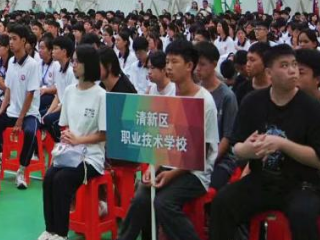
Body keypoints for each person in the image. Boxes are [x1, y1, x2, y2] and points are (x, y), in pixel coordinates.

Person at [209, 44, 320, 240]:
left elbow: (317, 159)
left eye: (294, 64)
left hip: (300, 184)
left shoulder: (311, 108)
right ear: (269, 72)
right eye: (284, 65)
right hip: (261, 181)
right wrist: (248, 150)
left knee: (302, 215)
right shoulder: (253, 102)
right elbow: (237, 147)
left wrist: (282, 144)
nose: (292, 70)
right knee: (221, 203)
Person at [116, 39, 219, 240]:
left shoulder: (204, 101)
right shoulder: (169, 98)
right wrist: (152, 168)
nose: (169, 67)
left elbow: (202, 152)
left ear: (189, 66)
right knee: (141, 198)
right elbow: (161, 140)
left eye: (174, 62)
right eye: (168, 62)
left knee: (163, 202)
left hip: (195, 172)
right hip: (168, 164)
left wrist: (171, 174)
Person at [41, 44, 107, 240]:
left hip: (91, 157)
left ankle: (61, 234)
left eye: (78, 61)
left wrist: (79, 140)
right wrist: (68, 137)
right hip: (70, 153)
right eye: (74, 61)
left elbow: (104, 135)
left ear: (89, 65)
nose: (74, 65)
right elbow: (65, 125)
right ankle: (50, 229)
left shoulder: (101, 95)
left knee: (62, 180)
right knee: (49, 177)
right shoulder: (69, 91)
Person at [0, 24, 41, 189]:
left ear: (23, 41)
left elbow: (30, 94)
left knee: (30, 132)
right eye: (10, 39)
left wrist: (20, 120)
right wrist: (1, 109)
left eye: (14, 39)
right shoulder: (11, 62)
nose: (11, 42)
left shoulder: (32, 64)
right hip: (12, 112)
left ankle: (22, 170)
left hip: (29, 113)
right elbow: (8, 89)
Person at [195, 42, 239, 191]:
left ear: (214, 64)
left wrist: (208, 161)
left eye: (202, 64)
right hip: (196, 156)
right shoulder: (195, 92)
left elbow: (227, 137)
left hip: (221, 160)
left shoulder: (227, 96)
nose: (198, 68)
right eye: (196, 64)